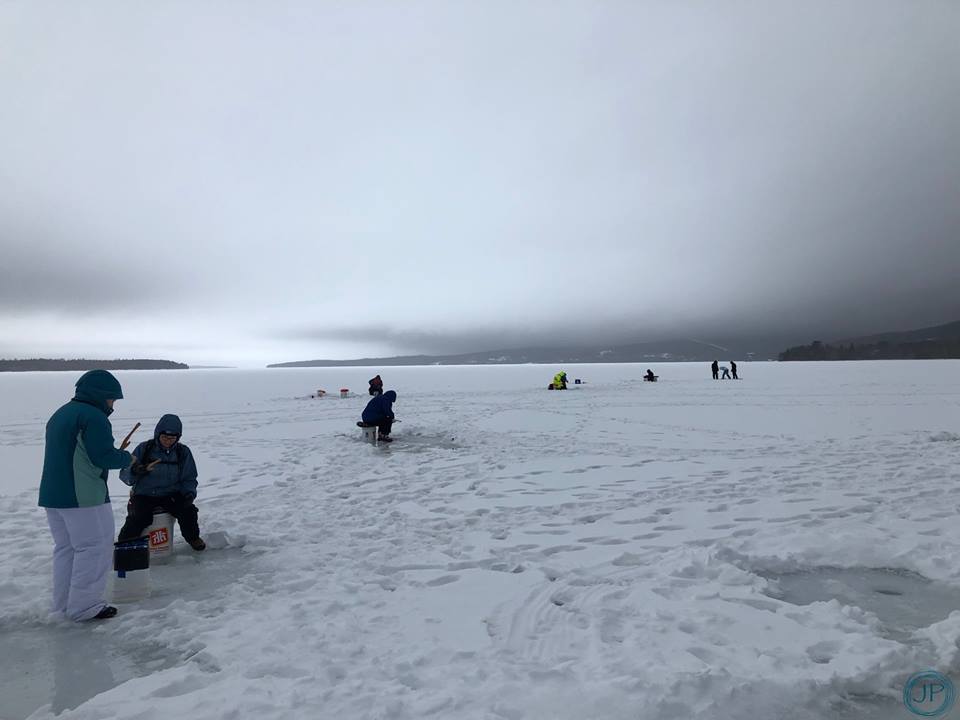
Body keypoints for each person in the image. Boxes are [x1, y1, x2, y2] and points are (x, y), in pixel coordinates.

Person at [39, 370, 135, 622]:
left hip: (53, 495)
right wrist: (127, 458)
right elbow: (102, 457)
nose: (113, 405)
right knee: (95, 547)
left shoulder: (60, 414)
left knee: (67, 549)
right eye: (112, 399)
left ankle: (62, 606)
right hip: (83, 496)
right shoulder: (93, 417)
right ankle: (85, 606)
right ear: (101, 395)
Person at [117, 414, 205, 551]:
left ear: (178, 437)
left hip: (170, 494)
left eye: (172, 438)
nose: (168, 441)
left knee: (188, 511)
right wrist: (136, 470)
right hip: (144, 494)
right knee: (138, 517)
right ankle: (124, 547)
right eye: (164, 437)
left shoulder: (183, 452)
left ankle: (193, 538)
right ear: (157, 434)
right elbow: (125, 476)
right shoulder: (144, 448)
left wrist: (189, 494)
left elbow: (189, 477)